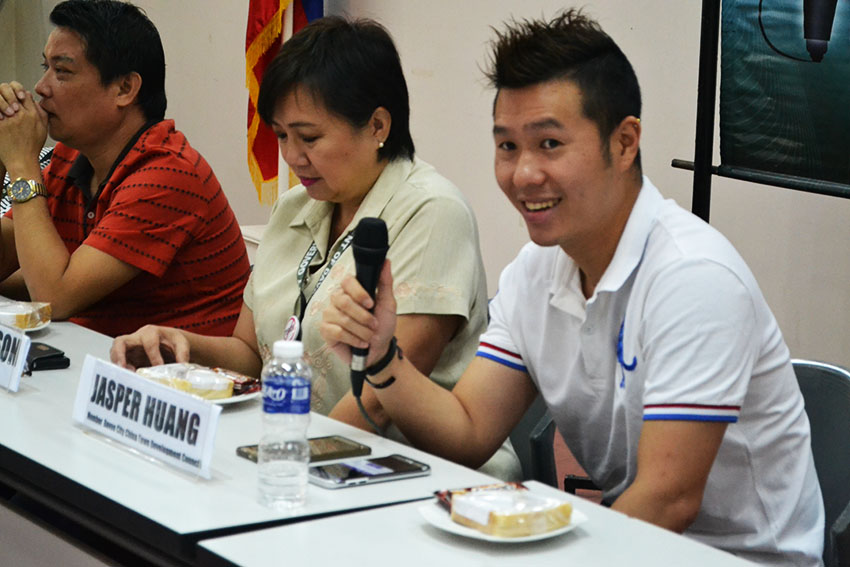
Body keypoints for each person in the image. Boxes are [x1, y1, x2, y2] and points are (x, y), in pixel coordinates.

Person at [319, 10, 824, 565]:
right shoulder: (537, 271)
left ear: (625, 142)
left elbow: (668, 500)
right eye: (507, 146)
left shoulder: (693, 278)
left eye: (550, 144)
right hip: (630, 542)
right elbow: (467, 432)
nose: (523, 174)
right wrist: (383, 355)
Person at [110, 16, 521, 480]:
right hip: (295, 459)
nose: (291, 157)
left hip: (418, 473)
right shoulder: (295, 208)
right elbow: (253, 353)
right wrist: (183, 346)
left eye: (309, 138)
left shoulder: (432, 211)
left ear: (377, 125)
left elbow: (377, 399)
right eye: (281, 136)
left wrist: (276, 459)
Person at [0, 0, 250, 337]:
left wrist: (21, 164)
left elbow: (52, 298)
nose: (41, 87)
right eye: (45, 67)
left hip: (186, 381)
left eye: (62, 72)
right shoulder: (68, 158)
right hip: (103, 364)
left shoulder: (169, 175)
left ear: (124, 89)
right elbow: (16, 267)